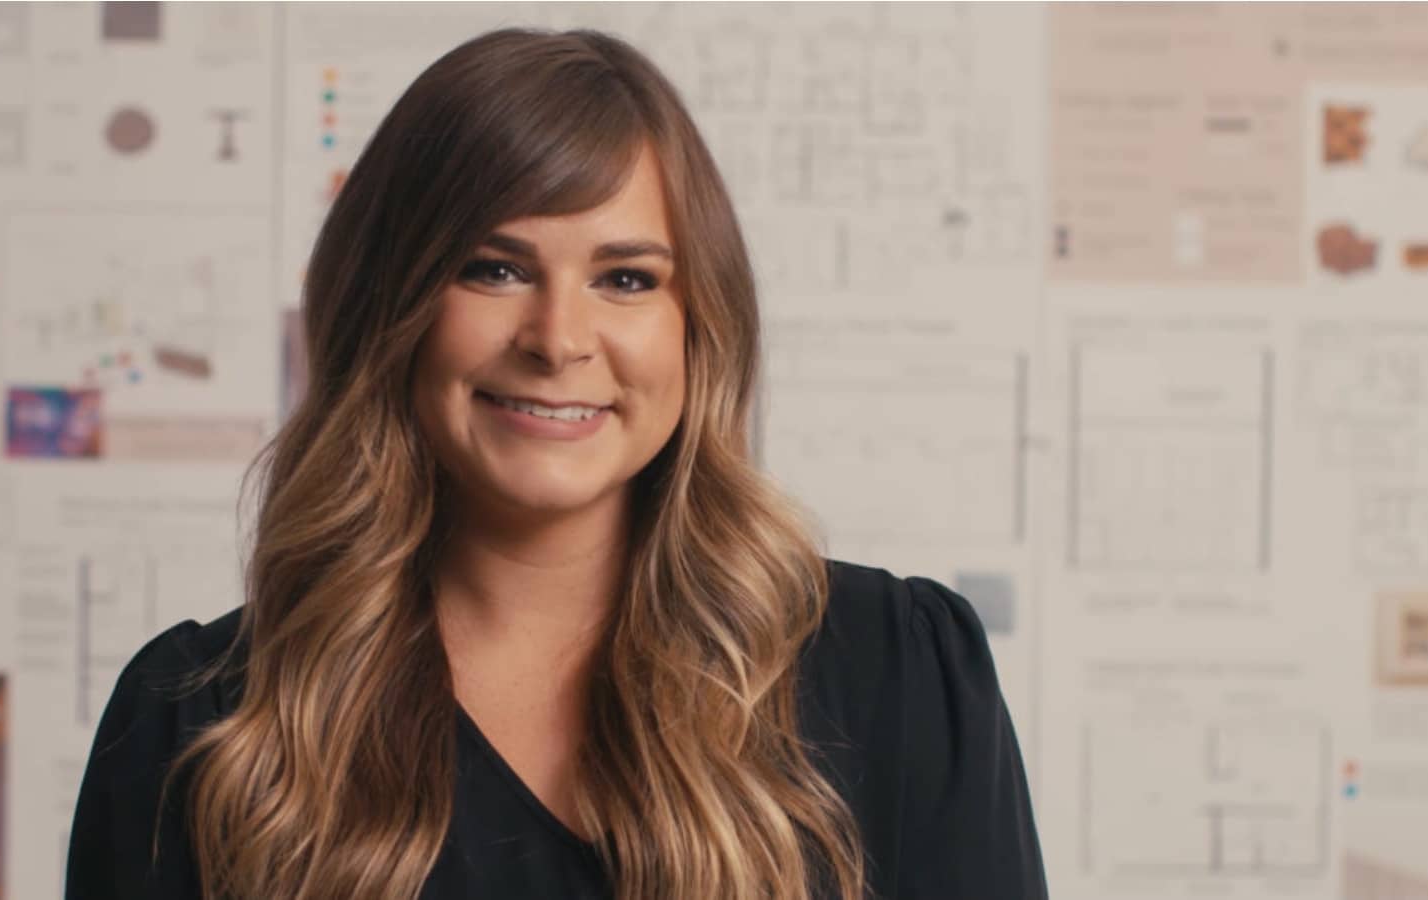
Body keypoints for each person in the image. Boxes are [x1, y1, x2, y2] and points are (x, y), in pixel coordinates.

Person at [65, 27, 1046, 900]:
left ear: (698, 324)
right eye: (494, 269)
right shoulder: (200, 723)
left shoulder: (898, 670)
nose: (558, 337)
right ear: (389, 308)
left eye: (626, 278)